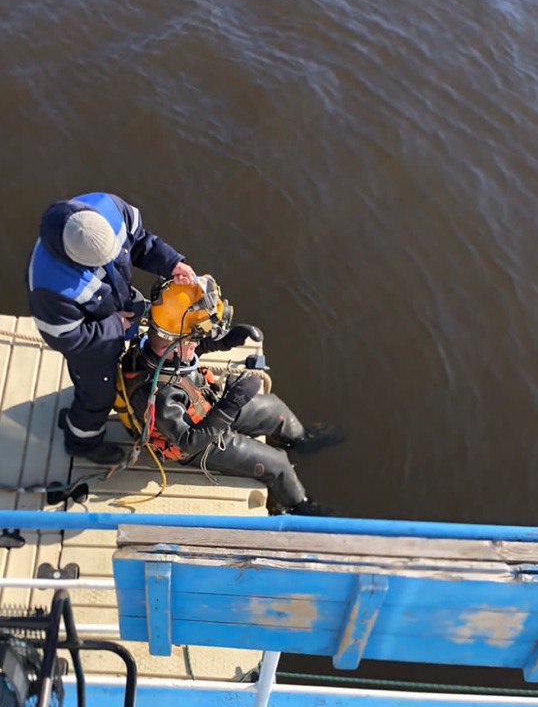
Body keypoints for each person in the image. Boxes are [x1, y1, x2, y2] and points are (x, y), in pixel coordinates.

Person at [118, 277, 342, 515]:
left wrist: (222, 343)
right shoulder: (160, 396)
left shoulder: (158, 345)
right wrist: (230, 404)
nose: (199, 342)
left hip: (206, 407)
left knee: (276, 409)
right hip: (200, 442)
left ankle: (301, 440)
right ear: (173, 344)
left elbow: (187, 351)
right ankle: (301, 507)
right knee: (278, 464)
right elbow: (187, 444)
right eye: (195, 339)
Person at [27, 191, 196, 465]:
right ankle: (81, 440)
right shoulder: (49, 287)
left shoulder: (111, 209)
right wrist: (112, 326)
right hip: (91, 342)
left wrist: (170, 263)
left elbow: (140, 241)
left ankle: (82, 410)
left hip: (114, 311)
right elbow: (67, 338)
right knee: (98, 394)